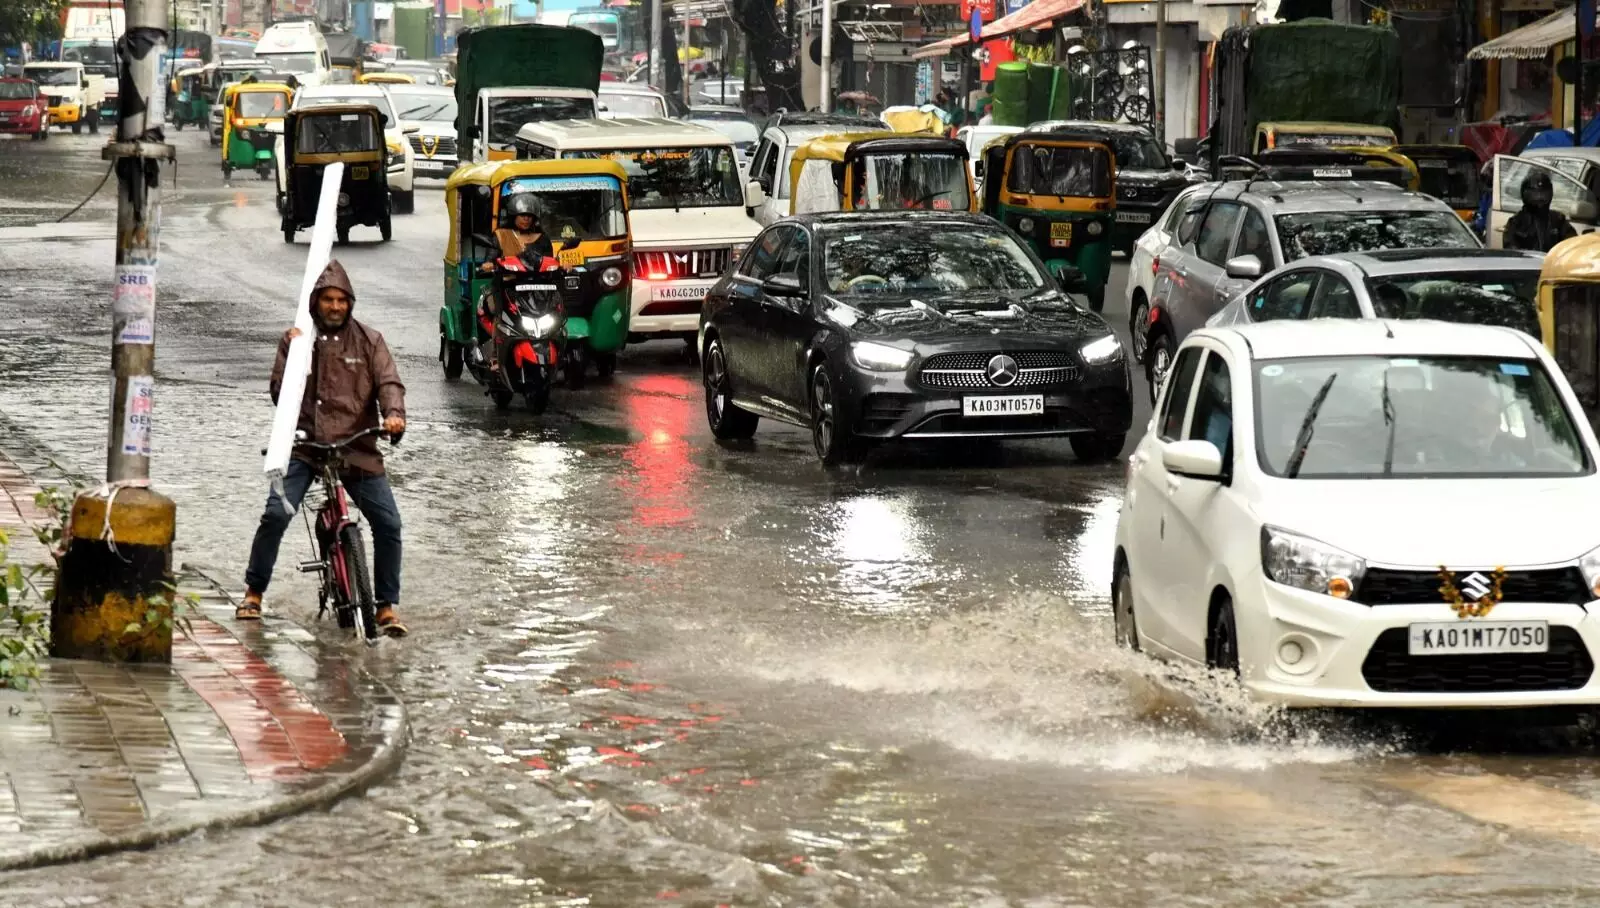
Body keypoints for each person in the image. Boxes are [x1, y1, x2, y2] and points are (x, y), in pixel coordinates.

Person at [241, 261, 410, 636]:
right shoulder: (296, 340)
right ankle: (254, 593)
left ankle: (385, 607)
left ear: (350, 303)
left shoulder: (370, 340)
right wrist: (296, 355)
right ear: (316, 302)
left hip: (357, 446)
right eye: (328, 300)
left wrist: (394, 415)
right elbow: (277, 392)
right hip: (305, 446)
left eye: (341, 300)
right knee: (275, 515)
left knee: (389, 523)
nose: (334, 307)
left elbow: (389, 383)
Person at [1504, 170, 1576, 252]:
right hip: (1525, 264)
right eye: (1535, 195)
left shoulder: (1558, 220)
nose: (1539, 199)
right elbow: (1510, 250)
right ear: (1525, 195)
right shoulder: (1516, 222)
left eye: (1543, 195)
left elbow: (1572, 245)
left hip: (1553, 263)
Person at [494, 192, 554, 261]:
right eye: (522, 215)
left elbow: (549, 262)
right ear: (514, 216)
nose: (526, 219)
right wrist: (489, 264)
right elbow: (491, 259)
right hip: (507, 272)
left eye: (529, 215)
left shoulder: (543, 238)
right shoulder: (501, 235)